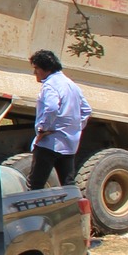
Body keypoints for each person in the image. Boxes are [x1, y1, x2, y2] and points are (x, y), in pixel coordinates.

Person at [26, 50, 92, 189]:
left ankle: (33, 210)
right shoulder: (71, 85)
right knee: (68, 184)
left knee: (35, 184)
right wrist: (74, 128)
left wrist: (43, 129)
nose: (35, 73)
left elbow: (51, 108)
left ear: (47, 68)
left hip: (50, 143)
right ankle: (74, 208)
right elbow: (86, 110)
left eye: (36, 68)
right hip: (69, 144)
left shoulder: (50, 85)